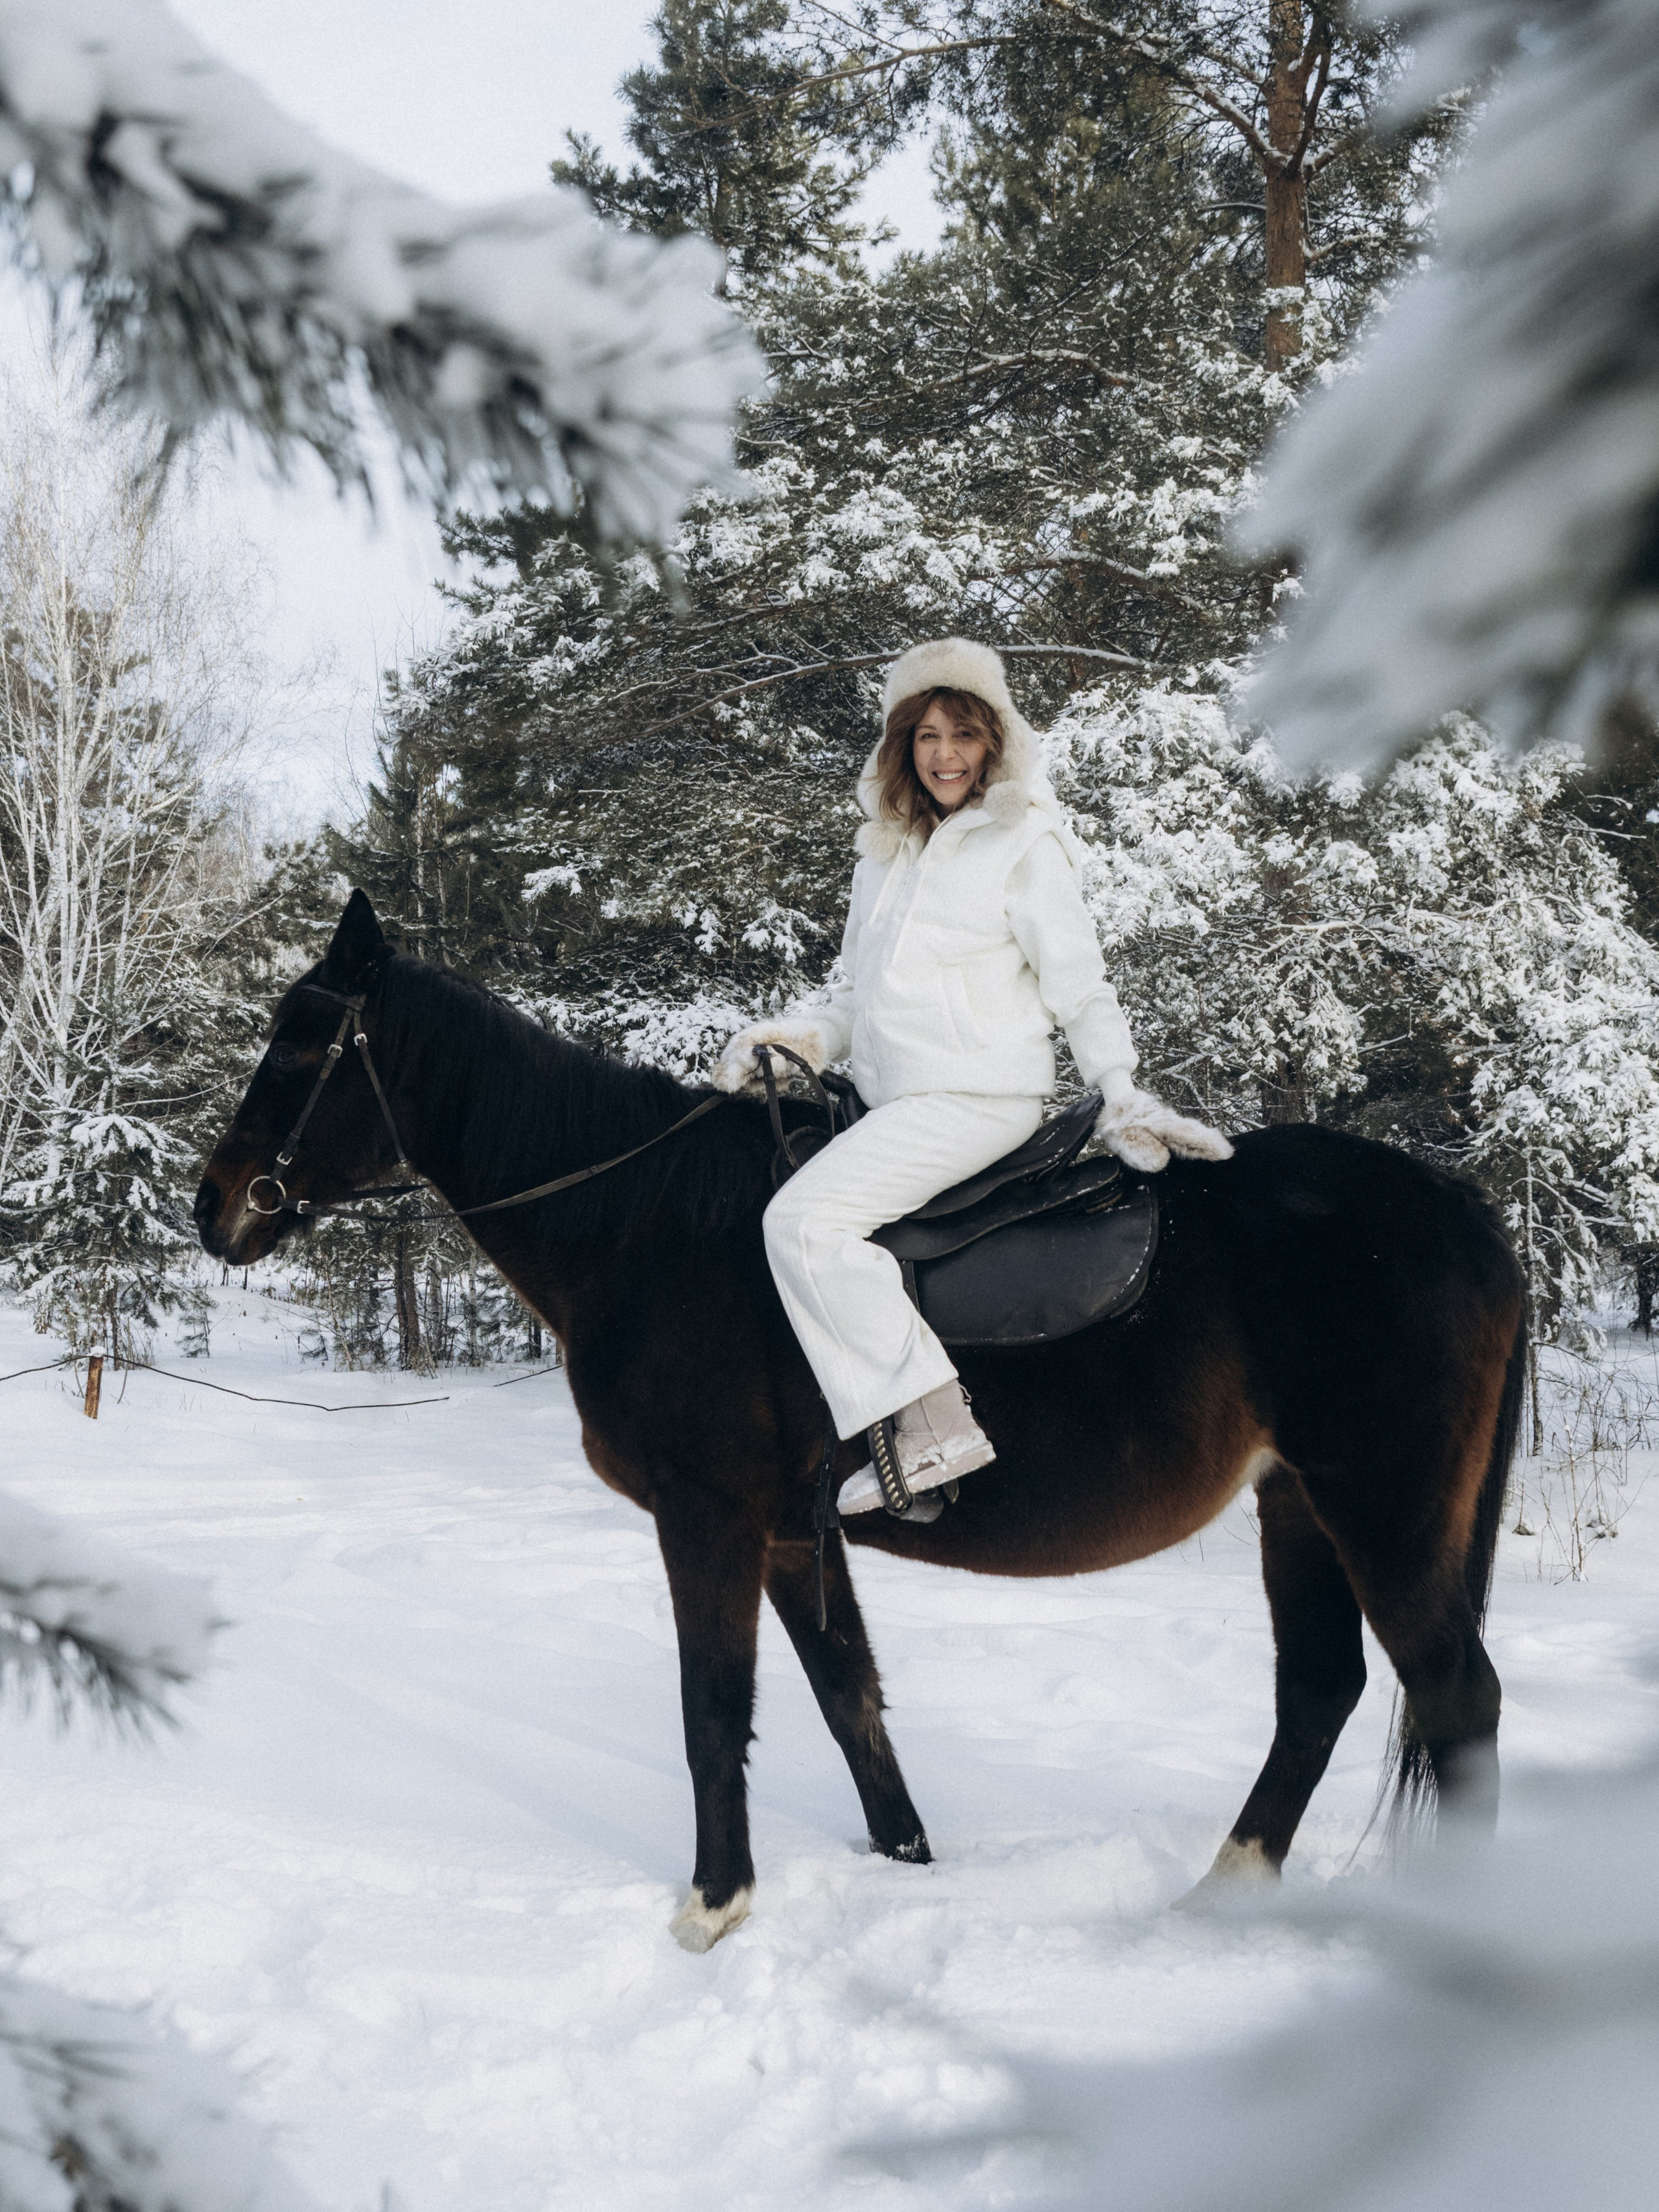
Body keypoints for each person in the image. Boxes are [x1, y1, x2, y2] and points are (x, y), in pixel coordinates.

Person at [715, 638, 1231, 1518]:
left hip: (975, 1100)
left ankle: (929, 1428)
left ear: (994, 741)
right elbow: (852, 993)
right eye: (926, 735)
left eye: (963, 733)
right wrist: (804, 1036)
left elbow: (1078, 981)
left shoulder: (1025, 842)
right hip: (887, 1098)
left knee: (801, 1221)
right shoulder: (882, 853)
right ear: (902, 747)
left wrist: (1120, 1085)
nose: (945, 753)